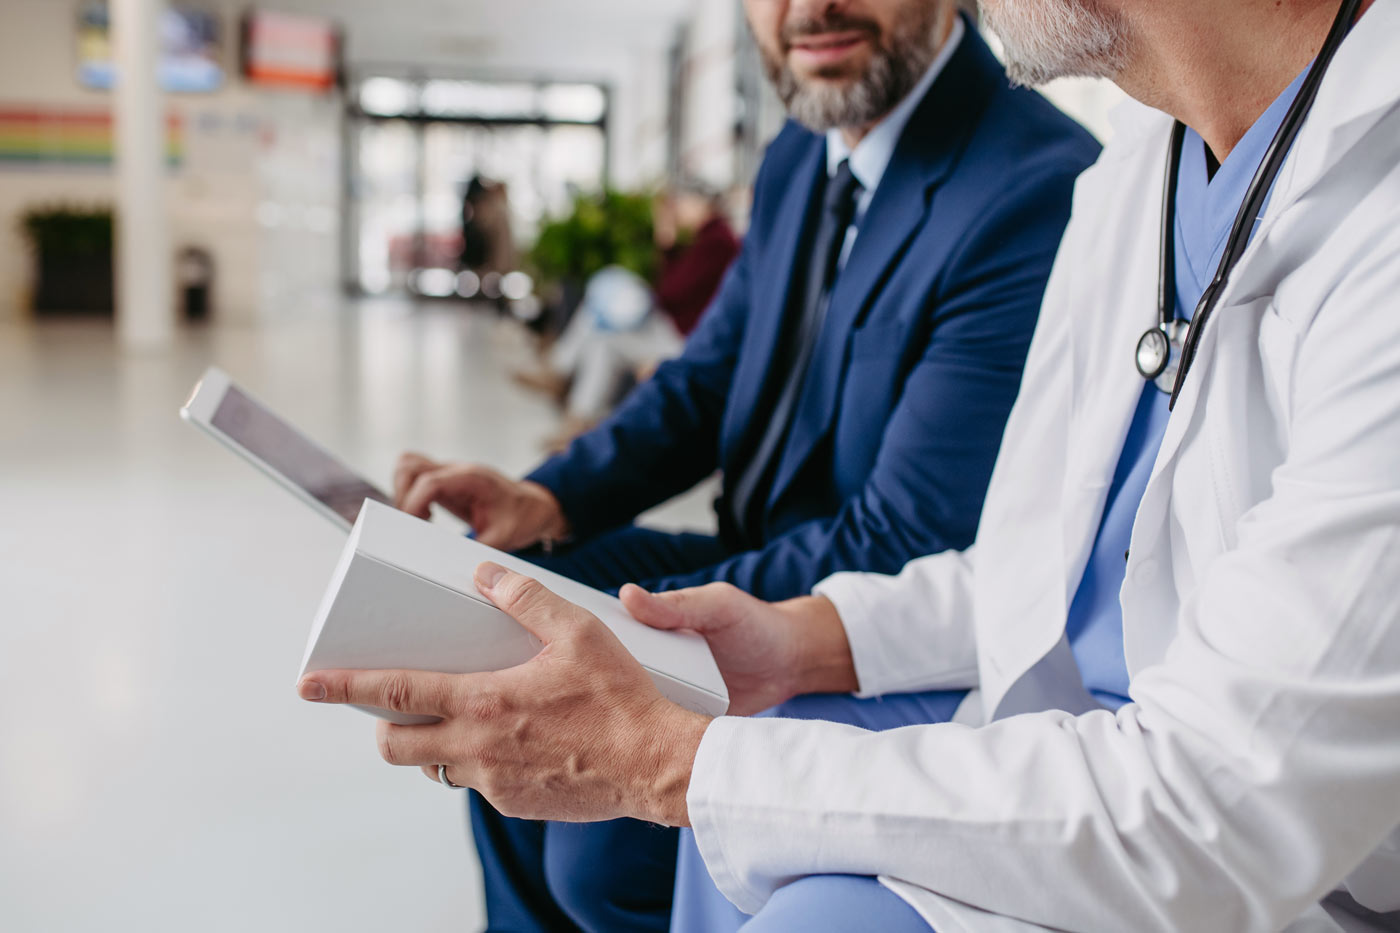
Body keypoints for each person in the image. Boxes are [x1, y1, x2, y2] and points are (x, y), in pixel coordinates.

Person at [300, 0, 1400, 929]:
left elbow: (1221, 801)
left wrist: (666, 759)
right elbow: (1038, 564)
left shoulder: (1057, 182)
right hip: (1032, 714)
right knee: (541, 669)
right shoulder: (1133, 177)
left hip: (1264, 858)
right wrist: (799, 637)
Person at [389, 1, 1096, 929]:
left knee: (595, 850)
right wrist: (548, 494)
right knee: (500, 619)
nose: (810, 9)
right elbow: (709, 376)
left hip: (875, 621)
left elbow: (906, 534)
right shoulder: (802, 154)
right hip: (761, 550)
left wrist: (634, 630)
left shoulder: (1033, 186)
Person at [519, 184, 741, 444]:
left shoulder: (717, 242)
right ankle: (575, 417)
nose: (679, 210)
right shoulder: (707, 240)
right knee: (603, 335)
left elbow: (671, 293)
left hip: (683, 338)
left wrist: (666, 242)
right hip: (673, 330)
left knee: (606, 307)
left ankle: (562, 378)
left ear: (703, 204)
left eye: (684, 203)